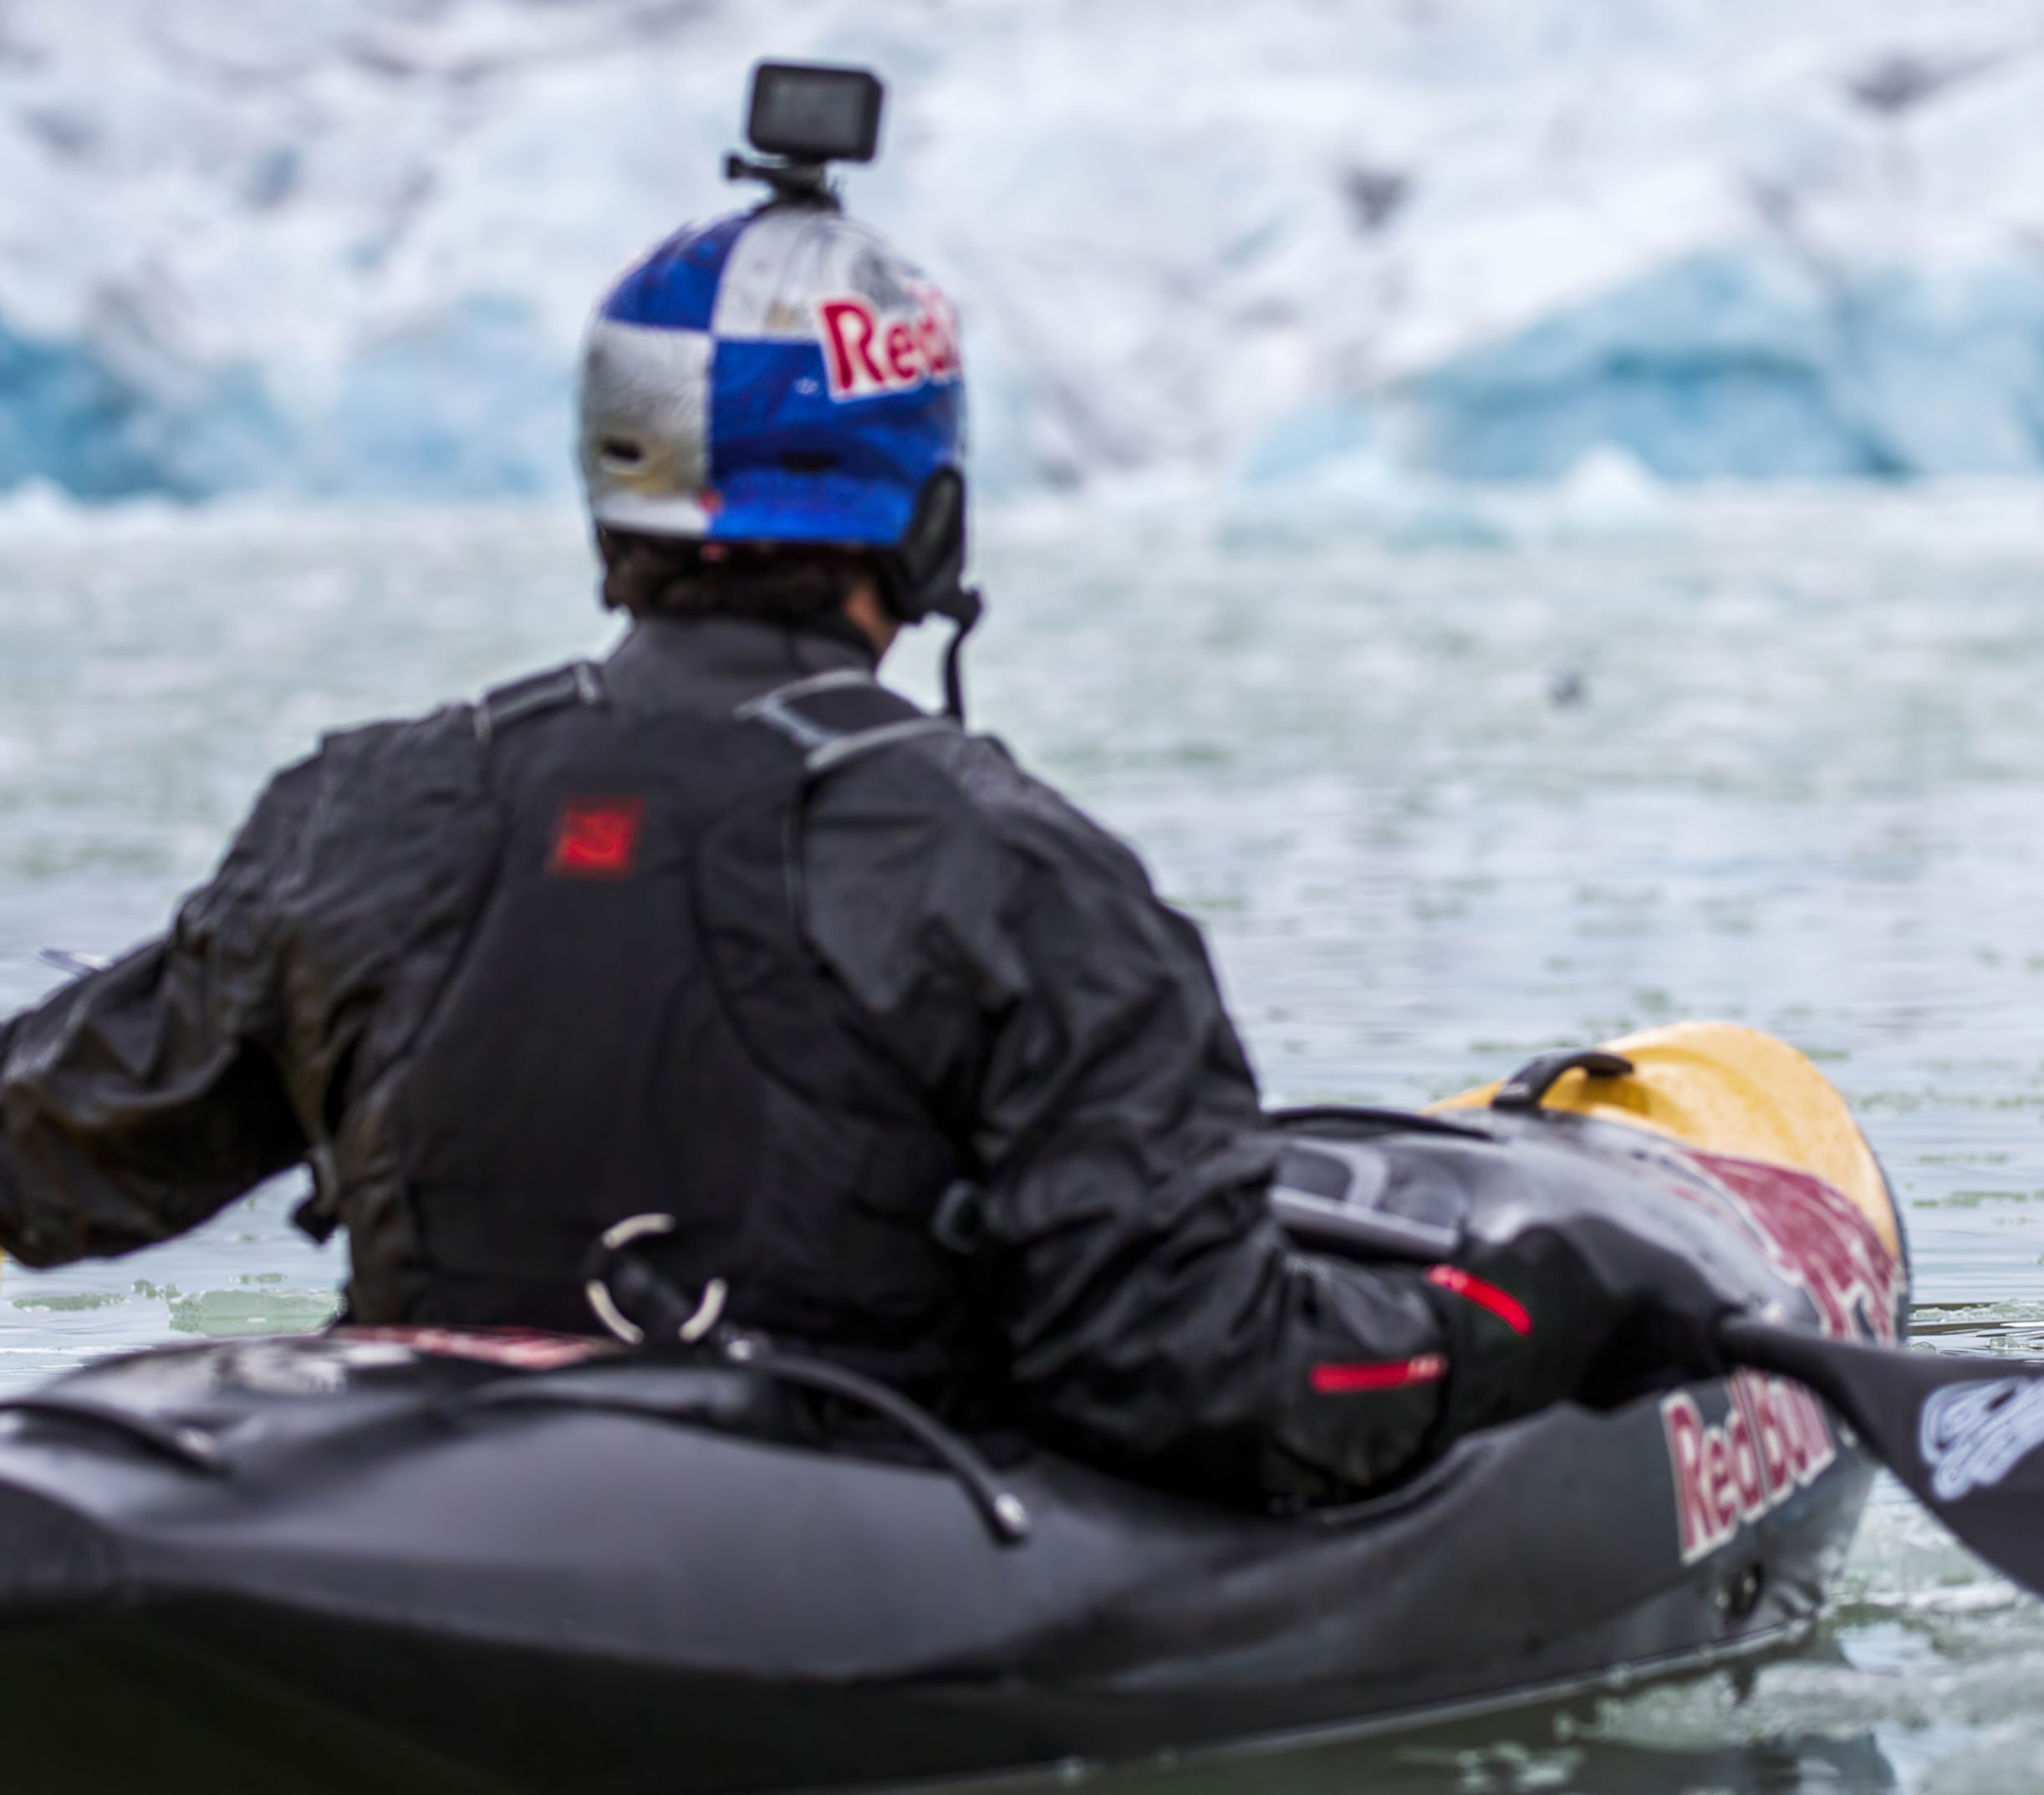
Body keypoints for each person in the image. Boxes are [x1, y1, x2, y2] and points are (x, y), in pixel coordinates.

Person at [0, 83, 1728, 1504]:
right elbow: (1190, 1366)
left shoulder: (367, 809)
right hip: (815, 1555)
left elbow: (57, 1156)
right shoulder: (1014, 870)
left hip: (411, 1517)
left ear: (620, 508)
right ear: (925, 521)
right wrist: (1516, 1319)